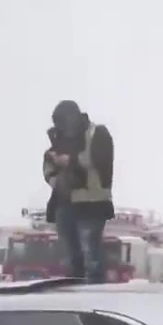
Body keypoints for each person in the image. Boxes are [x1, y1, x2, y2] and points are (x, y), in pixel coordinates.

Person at [42, 100, 114, 283]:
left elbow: (99, 157)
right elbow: (48, 167)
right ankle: (75, 287)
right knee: (71, 256)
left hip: (92, 203)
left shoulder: (98, 133)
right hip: (64, 202)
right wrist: (57, 180)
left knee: (91, 254)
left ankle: (95, 290)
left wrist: (70, 161)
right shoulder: (58, 139)